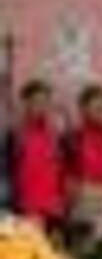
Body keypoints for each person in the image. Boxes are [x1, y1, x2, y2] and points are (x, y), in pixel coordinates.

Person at [60, 84, 102, 252]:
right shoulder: (73, 137)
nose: (101, 111)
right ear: (83, 109)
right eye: (96, 107)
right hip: (84, 195)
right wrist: (72, 191)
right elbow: (63, 167)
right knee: (82, 246)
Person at [5, 80, 67, 227]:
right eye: (37, 102)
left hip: (53, 206)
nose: (42, 107)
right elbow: (9, 170)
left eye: (46, 102)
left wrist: (61, 200)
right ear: (25, 103)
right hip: (27, 205)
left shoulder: (54, 135)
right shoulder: (15, 133)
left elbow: (60, 169)